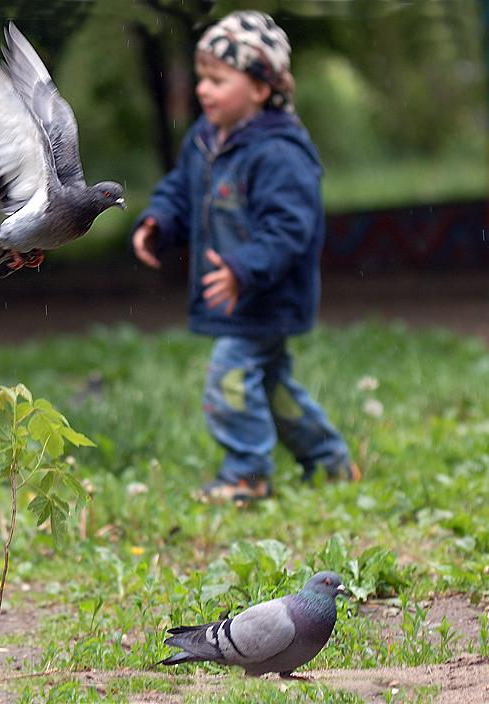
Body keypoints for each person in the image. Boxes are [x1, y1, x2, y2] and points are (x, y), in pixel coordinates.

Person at [131, 10, 360, 503]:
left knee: (228, 379)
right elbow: (180, 190)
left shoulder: (280, 154)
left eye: (218, 79)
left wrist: (242, 268)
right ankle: (329, 461)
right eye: (201, 78)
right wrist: (158, 221)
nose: (204, 90)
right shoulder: (204, 139)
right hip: (238, 296)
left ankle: (247, 473)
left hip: (267, 297)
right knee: (273, 387)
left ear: (259, 87)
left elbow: (288, 230)